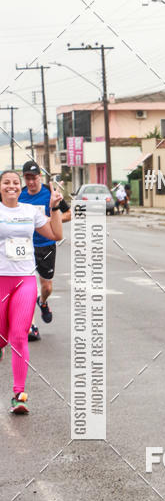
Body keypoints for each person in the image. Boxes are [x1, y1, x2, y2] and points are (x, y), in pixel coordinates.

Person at [0, 170, 63, 412]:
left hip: (24, 281)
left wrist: (54, 208)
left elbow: (55, 234)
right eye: (6, 183)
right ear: (0, 187)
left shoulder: (29, 211)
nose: (12, 186)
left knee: (18, 335)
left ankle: (19, 395)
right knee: (2, 336)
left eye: (15, 183)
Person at [18, 160, 70, 339]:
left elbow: (69, 214)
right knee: (27, 287)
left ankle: (43, 302)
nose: (31, 182)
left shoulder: (49, 193)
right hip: (24, 247)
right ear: (24, 178)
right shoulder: (20, 195)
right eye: (27, 178)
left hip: (46, 245)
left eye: (34, 177)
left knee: (46, 287)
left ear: (39, 176)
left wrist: (51, 220)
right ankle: (31, 326)